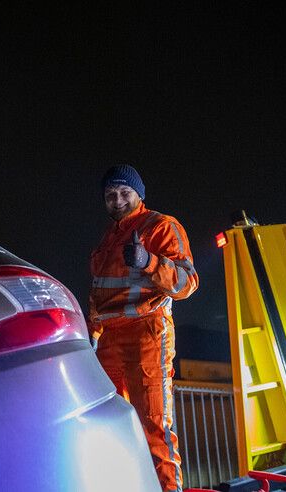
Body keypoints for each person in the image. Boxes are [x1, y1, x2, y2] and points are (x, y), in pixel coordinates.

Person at [88, 164, 198, 492]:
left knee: (154, 429)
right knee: (109, 425)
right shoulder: (107, 240)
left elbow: (188, 283)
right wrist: (92, 335)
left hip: (146, 335)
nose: (117, 200)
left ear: (140, 194)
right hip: (108, 341)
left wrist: (149, 261)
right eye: (110, 195)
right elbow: (98, 294)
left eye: (124, 193)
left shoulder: (161, 226)